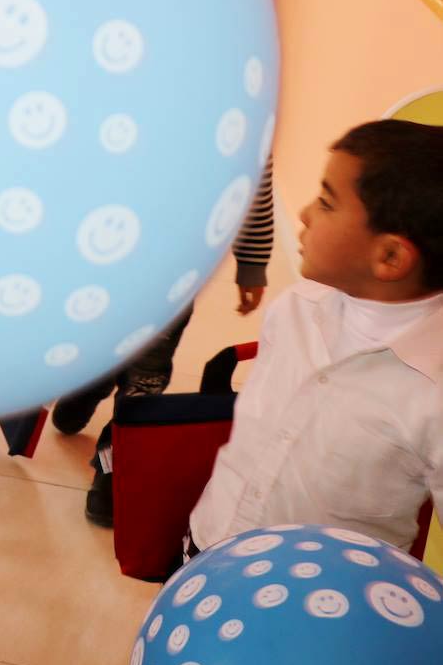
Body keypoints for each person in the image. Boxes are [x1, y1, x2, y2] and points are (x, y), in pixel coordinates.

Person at [188, 119, 443, 553]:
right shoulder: (296, 307)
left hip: (323, 602)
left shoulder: (432, 391)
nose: (304, 213)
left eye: (326, 202)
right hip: (208, 544)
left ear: (389, 256)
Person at [51, 159, 276, 525]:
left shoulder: (243, 113)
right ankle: (88, 385)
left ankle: (115, 459)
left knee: (146, 374)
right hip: (103, 257)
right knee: (99, 345)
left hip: (174, 277)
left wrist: (251, 263)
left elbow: (254, 190)